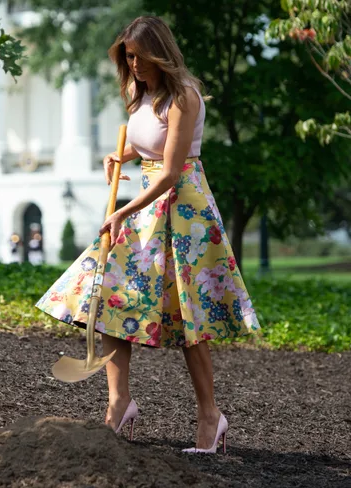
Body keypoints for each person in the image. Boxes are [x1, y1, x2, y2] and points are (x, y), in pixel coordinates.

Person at [35, 16, 261, 454]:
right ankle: (119, 405)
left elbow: (172, 169)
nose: (132, 64)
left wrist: (123, 209)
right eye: (128, 57)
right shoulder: (141, 94)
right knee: (110, 300)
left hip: (183, 210)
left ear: (159, 53)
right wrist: (115, 155)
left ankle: (210, 418)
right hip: (148, 204)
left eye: (138, 56)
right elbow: (145, 146)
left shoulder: (184, 96)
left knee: (188, 319)